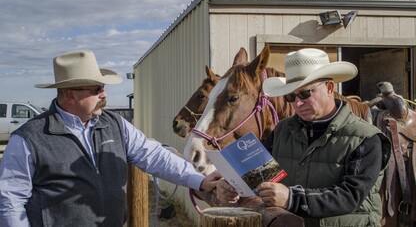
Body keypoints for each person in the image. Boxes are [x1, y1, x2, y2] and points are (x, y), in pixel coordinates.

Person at [0, 49, 220, 226]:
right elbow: (10, 201)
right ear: (70, 95)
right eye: (96, 89)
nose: (104, 94)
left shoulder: (115, 124)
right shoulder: (29, 138)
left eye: (102, 88)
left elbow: (155, 156)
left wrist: (199, 180)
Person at [215, 48, 391, 226]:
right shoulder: (282, 130)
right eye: (291, 96)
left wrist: (292, 199)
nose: (297, 103)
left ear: (329, 88)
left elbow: (350, 196)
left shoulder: (366, 138)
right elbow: (256, 172)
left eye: (305, 93)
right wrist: (232, 185)